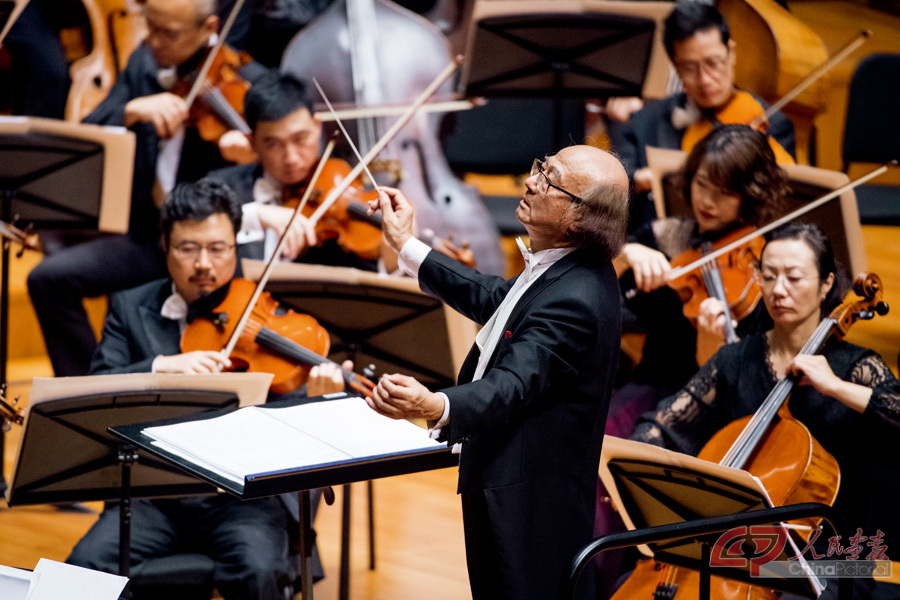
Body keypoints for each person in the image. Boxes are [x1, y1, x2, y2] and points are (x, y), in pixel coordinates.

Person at [364, 145, 629, 599]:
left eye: (550, 180)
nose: (531, 181)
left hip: (529, 505)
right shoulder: (565, 268)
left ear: (578, 218)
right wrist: (406, 244)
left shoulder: (577, 299)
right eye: (541, 167)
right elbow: (495, 298)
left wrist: (437, 404)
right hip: (506, 480)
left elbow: (512, 385)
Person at [67, 178, 346, 599]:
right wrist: (161, 367)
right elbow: (96, 390)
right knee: (85, 567)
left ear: (236, 246)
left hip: (240, 497)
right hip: (156, 495)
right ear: (164, 245)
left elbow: (294, 418)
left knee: (259, 567)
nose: (204, 264)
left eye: (218, 249)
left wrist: (320, 399)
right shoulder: (130, 306)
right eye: (188, 248)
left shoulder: (263, 309)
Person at [631, 222, 900, 600]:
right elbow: (662, 426)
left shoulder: (856, 367)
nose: (778, 290)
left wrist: (835, 386)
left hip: (836, 560)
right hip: (736, 552)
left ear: (826, 285)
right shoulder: (736, 359)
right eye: (768, 276)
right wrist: (640, 464)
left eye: (793, 277)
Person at [27, 0, 265, 378]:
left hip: (204, 248)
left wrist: (249, 156)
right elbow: (90, 129)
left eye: (168, 33)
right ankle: (86, 391)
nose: (153, 40)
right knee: (48, 280)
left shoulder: (248, 81)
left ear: (210, 28)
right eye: (149, 27)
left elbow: (281, 168)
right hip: (148, 238)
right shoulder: (145, 61)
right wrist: (132, 110)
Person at [607, 2, 795, 231]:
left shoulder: (773, 124)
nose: (705, 79)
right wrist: (639, 181)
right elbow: (614, 197)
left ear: (731, 53)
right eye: (689, 68)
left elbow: (779, 206)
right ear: (676, 66)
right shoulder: (643, 122)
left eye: (713, 63)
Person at [210, 70, 390, 271]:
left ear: (317, 127)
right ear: (252, 142)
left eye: (300, 138)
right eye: (274, 144)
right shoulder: (222, 189)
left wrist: (395, 252)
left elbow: (370, 277)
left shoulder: (341, 214)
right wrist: (255, 215)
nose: (291, 158)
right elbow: (184, 228)